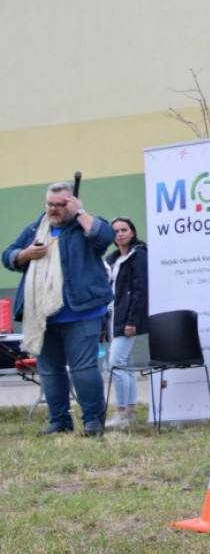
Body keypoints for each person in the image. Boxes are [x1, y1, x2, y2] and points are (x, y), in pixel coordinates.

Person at [2, 181, 114, 436]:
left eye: (60, 205)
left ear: (72, 203)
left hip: (81, 311)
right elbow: (8, 256)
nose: (53, 209)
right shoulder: (36, 228)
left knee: (83, 368)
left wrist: (81, 213)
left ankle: (93, 422)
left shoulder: (83, 225)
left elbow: (104, 237)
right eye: (49, 204)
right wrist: (26, 254)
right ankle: (59, 422)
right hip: (41, 315)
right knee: (50, 371)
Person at [104, 217, 149, 429]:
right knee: (125, 364)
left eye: (124, 229)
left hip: (127, 318)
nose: (120, 234)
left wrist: (133, 320)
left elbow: (140, 289)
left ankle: (121, 411)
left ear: (132, 232)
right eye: (116, 231)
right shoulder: (112, 259)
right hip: (112, 317)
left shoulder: (138, 255)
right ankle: (130, 411)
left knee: (116, 363)